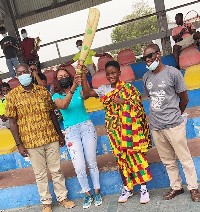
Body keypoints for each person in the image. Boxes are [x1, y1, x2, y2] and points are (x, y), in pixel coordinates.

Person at [5, 64, 75, 212]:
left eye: (25, 72)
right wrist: (19, 144)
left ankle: (63, 198)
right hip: (30, 142)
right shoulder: (12, 96)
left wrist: (59, 134)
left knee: (56, 170)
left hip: (50, 137)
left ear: (31, 73)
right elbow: (12, 123)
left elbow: (52, 114)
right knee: (40, 174)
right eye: (20, 73)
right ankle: (46, 202)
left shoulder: (43, 91)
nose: (23, 74)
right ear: (17, 76)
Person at [81, 60, 152, 204]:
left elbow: (138, 107)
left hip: (130, 130)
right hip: (114, 131)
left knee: (136, 156)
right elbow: (87, 93)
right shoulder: (103, 89)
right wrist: (83, 75)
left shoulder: (128, 88)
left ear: (119, 73)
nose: (111, 76)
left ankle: (143, 188)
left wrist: (123, 102)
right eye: (108, 74)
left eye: (113, 73)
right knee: (121, 159)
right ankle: (127, 188)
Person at [142, 43, 200, 202]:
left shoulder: (172, 73)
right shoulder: (146, 77)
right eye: (144, 58)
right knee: (168, 160)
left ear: (158, 54)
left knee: (185, 158)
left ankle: (194, 188)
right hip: (156, 126)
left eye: (149, 56)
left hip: (174, 124)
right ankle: (176, 187)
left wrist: (176, 115)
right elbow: (152, 98)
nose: (147, 60)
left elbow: (184, 98)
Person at [52, 67, 102, 209]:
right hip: (70, 132)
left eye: (66, 75)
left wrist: (84, 76)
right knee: (79, 166)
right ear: (57, 80)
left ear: (71, 76)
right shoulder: (56, 96)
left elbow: (89, 94)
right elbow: (63, 105)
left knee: (91, 162)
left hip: (86, 127)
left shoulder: (79, 89)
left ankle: (97, 191)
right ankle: (87, 194)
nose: (63, 78)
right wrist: (73, 87)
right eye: (60, 77)